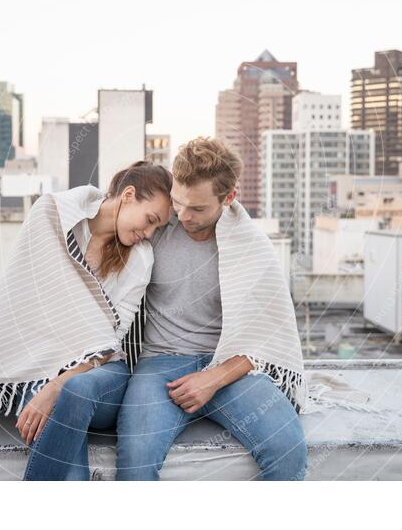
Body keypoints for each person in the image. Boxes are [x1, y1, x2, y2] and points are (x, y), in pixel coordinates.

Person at [0, 160, 172, 481]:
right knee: (64, 404)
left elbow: (111, 339)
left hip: (103, 374)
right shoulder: (52, 218)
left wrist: (56, 385)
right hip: (36, 366)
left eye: (157, 229)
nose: (148, 233)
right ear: (128, 195)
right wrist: (50, 384)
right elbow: (20, 303)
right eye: (150, 220)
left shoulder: (141, 259)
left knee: (76, 389)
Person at [115, 137, 312, 481]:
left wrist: (212, 379)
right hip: (160, 365)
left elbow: (266, 338)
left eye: (199, 209)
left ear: (229, 197)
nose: (183, 216)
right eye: (179, 202)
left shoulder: (252, 246)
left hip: (229, 367)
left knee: (288, 450)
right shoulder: (157, 225)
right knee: (135, 462)